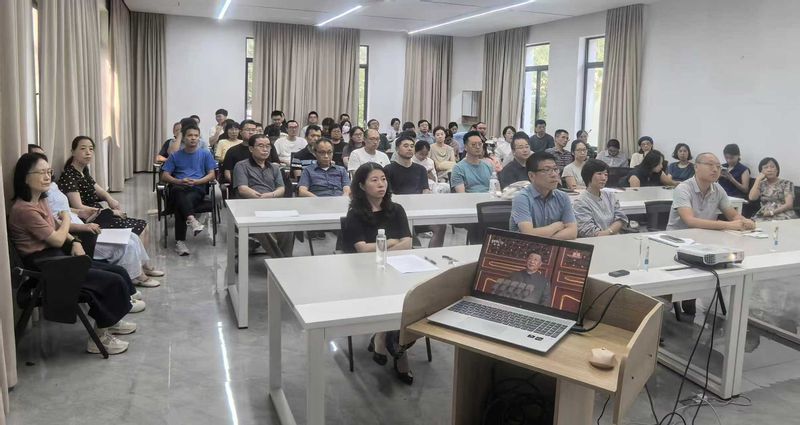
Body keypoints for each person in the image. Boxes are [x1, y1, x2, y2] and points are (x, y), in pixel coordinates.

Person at [10, 153, 136, 355]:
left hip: (58, 258)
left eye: (49, 172)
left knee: (118, 271)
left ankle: (111, 321)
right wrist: (67, 219)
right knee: (111, 281)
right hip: (48, 267)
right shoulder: (24, 210)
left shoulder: (40, 200)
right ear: (25, 178)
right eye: (41, 173)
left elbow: (56, 226)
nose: (47, 177)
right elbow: (57, 237)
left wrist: (75, 241)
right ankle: (99, 338)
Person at [342, 162, 413, 384]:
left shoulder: (397, 209)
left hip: (398, 268)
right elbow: (362, 250)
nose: (381, 184)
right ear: (362, 185)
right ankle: (399, 353)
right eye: (374, 180)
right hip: (364, 273)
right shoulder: (355, 214)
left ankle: (382, 335)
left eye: (383, 179)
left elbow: (408, 243)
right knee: (394, 299)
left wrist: (383, 246)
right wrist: (391, 242)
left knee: (417, 301)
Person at [666, 152, 756, 316]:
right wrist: (729, 225)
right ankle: (681, 298)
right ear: (696, 167)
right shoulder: (683, 188)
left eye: (718, 166)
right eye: (710, 165)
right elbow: (690, 221)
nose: (715, 169)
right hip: (678, 242)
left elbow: (733, 215)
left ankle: (692, 299)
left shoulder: (718, 189)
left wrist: (744, 221)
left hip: (705, 242)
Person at [59, 136, 150, 241]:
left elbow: (97, 188)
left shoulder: (83, 170)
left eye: (91, 149)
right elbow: (78, 207)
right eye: (83, 148)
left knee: (144, 226)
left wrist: (109, 199)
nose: (88, 152)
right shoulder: (69, 175)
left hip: (99, 213)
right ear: (73, 152)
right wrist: (111, 212)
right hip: (89, 219)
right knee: (140, 229)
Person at [160, 123, 217, 256]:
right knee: (177, 190)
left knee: (180, 203)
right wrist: (179, 181)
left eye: (196, 136)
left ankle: (180, 242)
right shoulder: (175, 155)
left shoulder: (205, 154)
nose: (193, 138)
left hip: (197, 188)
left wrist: (197, 181)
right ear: (183, 138)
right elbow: (164, 176)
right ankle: (192, 220)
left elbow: (212, 175)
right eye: (190, 135)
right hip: (179, 186)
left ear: (199, 138)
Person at [233, 134, 295, 256]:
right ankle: (281, 261)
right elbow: (243, 189)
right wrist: (261, 198)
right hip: (249, 207)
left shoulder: (274, 168)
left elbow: (281, 188)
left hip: (272, 205)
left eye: (268, 146)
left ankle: (284, 259)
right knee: (263, 226)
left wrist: (271, 195)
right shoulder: (241, 165)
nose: (265, 149)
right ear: (251, 148)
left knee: (288, 226)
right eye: (261, 146)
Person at [384, 136, 445, 248]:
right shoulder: (388, 169)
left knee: (440, 226)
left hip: (418, 210)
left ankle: (433, 254)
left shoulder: (420, 169)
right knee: (412, 237)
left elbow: (425, 190)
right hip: (398, 213)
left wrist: (423, 204)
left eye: (412, 146)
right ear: (397, 149)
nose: (409, 148)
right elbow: (389, 194)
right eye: (405, 146)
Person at [509, 151, 577, 239]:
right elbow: (528, 235)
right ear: (531, 176)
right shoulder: (522, 198)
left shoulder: (563, 197)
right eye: (547, 170)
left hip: (552, 246)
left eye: (555, 169)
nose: (554, 175)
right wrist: (554, 227)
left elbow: (572, 232)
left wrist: (543, 237)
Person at [573, 159, 628, 237]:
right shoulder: (580, 202)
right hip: (594, 241)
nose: (604, 178)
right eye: (599, 174)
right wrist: (609, 233)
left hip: (615, 238)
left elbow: (621, 218)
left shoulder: (610, 195)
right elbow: (589, 232)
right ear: (589, 176)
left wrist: (609, 231)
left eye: (606, 175)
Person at [221, 120, 258, 184]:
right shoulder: (232, 151)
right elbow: (227, 173)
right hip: (239, 184)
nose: (251, 132)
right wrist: (239, 184)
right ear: (240, 132)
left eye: (253, 130)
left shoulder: (264, 149)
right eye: (248, 130)